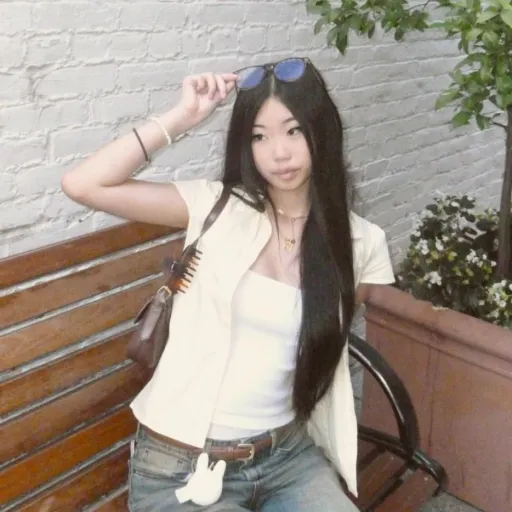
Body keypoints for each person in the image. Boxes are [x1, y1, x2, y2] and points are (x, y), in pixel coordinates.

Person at [61, 57, 395, 511]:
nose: (279, 153)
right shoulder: (214, 207)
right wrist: (183, 117)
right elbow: (83, 185)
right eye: (259, 136)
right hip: (181, 465)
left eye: (294, 130)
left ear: (322, 130)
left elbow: (326, 348)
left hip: (287, 456)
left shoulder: (361, 242)